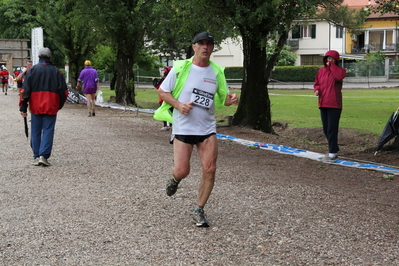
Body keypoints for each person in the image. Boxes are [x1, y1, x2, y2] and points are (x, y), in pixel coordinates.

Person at [154, 32, 239, 227]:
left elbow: (224, 99)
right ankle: (175, 179)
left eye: (209, 44)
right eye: (201, 43)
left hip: (207, 128)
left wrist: (233, 99)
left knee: (210, 169)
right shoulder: (181, 68)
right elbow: (162, 91)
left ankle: (199, 210)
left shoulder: (217, 72)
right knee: (183, 170)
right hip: (184, 126)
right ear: (194, 47)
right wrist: (178, 105)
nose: (205, 47)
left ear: (212, 48)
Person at [19, 47, 68, 166]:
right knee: (48, 130)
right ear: (50, 57)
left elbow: (24, 91)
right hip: (51, 104)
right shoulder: (57, 72)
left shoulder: (32, 71)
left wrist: (23, 107)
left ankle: (36, 155)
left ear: (38, 57)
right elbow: (64, 92)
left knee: (35, 130)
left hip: (35, 104)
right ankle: (43, 155)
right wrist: (59, 105)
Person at [314, 50, 346, 163]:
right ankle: (334, 149)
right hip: (323, 102)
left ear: (336, 60)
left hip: (334, 104)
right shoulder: (321, 71)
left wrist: (332, 66)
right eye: (327, 59)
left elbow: (338, 77)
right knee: (326, 128)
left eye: (331, 59)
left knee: (332, 128)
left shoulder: (341, 71)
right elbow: (317, 83)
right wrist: (317, 90)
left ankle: (332, 153)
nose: (329, 61)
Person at [152, 66, 172, 130]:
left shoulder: (163, 79)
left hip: (163, 98)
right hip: (171, 98)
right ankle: (172, 125)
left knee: (163, 111)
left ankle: (166, 125)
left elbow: (157, 86)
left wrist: (154, 80)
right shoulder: (172, 79)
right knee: (171, 111)